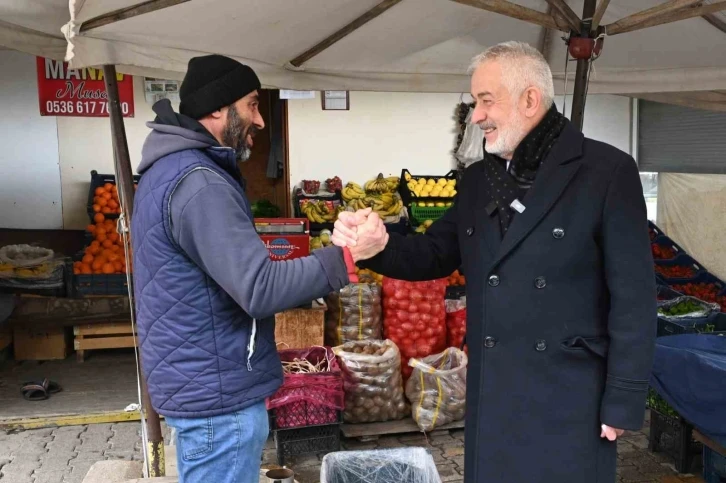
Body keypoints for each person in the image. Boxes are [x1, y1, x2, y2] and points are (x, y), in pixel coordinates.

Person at [332, 41, 656, 483]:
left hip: (570, 395)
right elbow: (434, 253)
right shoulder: (479, 180)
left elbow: (634, 298)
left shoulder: (606, 172)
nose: (477, 115)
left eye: (486, 101)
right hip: (494, 393)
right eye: (474, 102)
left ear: (529, 99)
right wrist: (377, 244)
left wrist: (623, 398)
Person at [130, 55, 386, 483]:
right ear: (217, 108)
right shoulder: (200, 183)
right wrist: (347, 255)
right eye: (251, 104)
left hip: (202, 379)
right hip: (219, 396)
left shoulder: (169, 170)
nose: (261, 120)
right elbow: (259, 288)